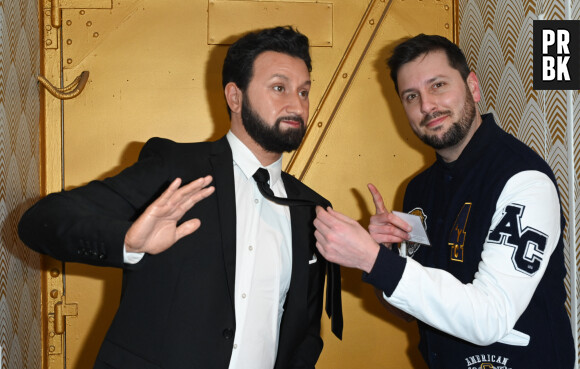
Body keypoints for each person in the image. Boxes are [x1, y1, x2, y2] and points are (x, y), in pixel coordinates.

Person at [18, 26, 341, 369]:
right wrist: (128, 242)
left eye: (304, 92)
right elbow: (40, 221)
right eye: (280, 88)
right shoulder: (175, 170)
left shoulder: (312, 209)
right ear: (235, 97)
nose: (297, 104)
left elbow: (304, 329)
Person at [313, 34, 574, 368]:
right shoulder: (418, 191)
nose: (426, 105)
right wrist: (386, 254)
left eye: (438, 85)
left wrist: (375, 260)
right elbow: (409, 310)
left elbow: (490, 318)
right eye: (411, 96)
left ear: (473, 88)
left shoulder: (523, 179)